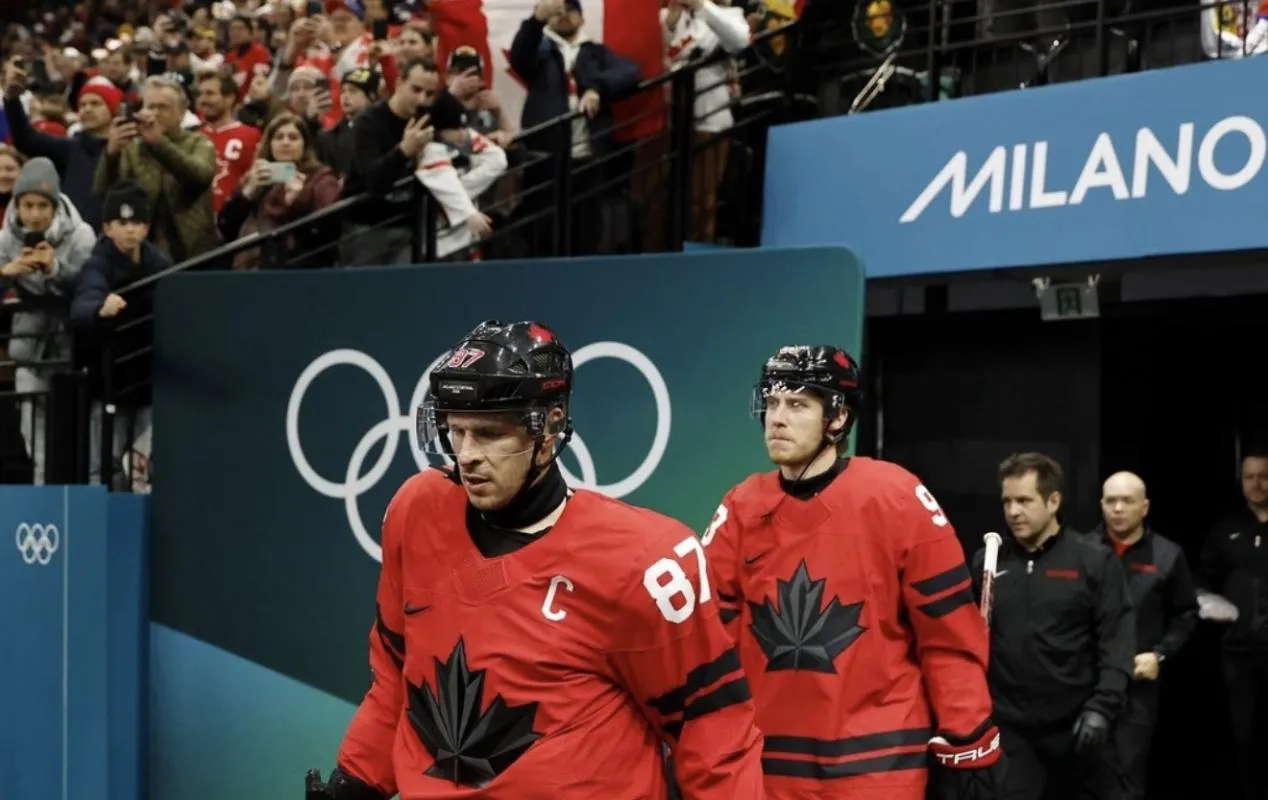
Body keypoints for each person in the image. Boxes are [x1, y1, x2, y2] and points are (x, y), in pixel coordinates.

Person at [309, 320, 765, 799]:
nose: (467, 456)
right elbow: (396, 680)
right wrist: (354, 782)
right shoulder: (416, 512)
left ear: (549, 426)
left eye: (488, 434)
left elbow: (714, 731)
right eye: (456, 432)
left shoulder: (646, 561)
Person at [702, 345, 1003, 800]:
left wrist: (968, 731)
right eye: (773, 401)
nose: (776, 418)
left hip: (879, 766)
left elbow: (948, 630)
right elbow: (707, 639)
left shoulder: (896, 495)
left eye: (798, 404)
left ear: (838, 418)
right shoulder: (741, 506)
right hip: (767, 765)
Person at [973, 452, 1134, 800]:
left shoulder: (1094, 560)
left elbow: (1117, 642)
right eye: (1007, 501)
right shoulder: (988, 563)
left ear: (1053, 500)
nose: (1013, 511)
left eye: (1024, 500)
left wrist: (1101, 709)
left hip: (1078, 727)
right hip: (1011, 729)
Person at [1090, 471, 1197, 800]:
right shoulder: (1081, 549)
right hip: (1085, 681)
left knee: (1126, 778)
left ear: (1145, 507)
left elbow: (1186, 613)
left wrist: (1160, 654)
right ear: (1101, 505)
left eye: (1127, 501)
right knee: (1082, 775)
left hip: (1137, 684)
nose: (1118, 508)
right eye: (1111, 501)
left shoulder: (1168, 554)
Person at [1197, 451, 1268, 800]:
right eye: (1249, 477)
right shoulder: (1226, 530)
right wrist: (1209, 602)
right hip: (1238, 652)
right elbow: (1199, 583)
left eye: (1264, 476)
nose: (1257, 484)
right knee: (1243, 736)